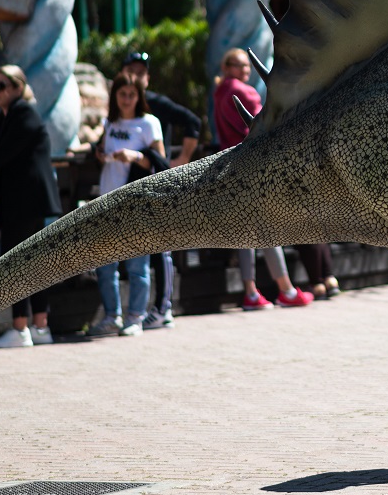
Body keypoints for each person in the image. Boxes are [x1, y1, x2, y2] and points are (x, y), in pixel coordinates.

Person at [0, 65, 62, 349]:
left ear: (18, 88)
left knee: (17, 263)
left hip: (26, 202)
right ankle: (39, 326)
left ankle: (22, 329)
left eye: (2, 86)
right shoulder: (5, 116)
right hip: (20, 201)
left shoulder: (24, 113)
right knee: (30, 262)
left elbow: (1, 154)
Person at [212, 48, 312, 311]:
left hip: (228, 165)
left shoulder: (219, 92)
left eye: (247, 66)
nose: (246, 70)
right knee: (267, 230)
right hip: (252, 166)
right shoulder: (246, 92)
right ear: (228, 66)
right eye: (240, 65)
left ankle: (251, 293)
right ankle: (286, 290)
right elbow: (266, 125)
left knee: (246, 234)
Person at [120, 50, 202, 329]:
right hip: (129, 186)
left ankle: (163, 307)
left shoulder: (155, 103)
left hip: (158, 183)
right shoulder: (121, 106)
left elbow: (193, 122)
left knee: (161, 246)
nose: (137, 75)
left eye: (142, 71)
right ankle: (140, 310)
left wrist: (180, 162)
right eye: (132, 70)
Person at [89, 74, 166, 337]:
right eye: (122, 94)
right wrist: (100, 154)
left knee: (137, 264)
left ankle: (136, 315)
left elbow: (159, 161)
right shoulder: (110, 123)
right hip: (107, 199)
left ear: (139, 96)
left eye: (131, 94)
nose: (126, 99)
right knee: (105, 264)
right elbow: (102, 152)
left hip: (135, 202)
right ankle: (112, 315)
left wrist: (134, 156)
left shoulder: (148, 123)